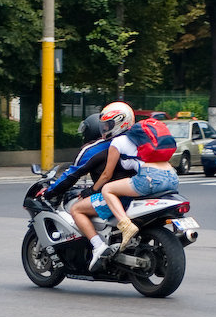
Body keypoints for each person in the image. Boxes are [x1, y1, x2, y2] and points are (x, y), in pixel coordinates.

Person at [69, 102, 178, 272]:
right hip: (171, 176)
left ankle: (125, 226)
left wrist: (91, 190)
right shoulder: (140, 139)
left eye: (108, 125)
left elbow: (106, 175)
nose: (104, 129)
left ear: (120, 123)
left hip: (149, 177)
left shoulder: (118, 142)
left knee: (107, 189)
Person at [39, 113, 135, 205]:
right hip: (136, 190)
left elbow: (72, 175)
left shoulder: (95, 149)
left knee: (76, 209)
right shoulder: (134, 141)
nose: (104, 128)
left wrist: (49, 192)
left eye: (107, 125)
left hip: (113, 195)